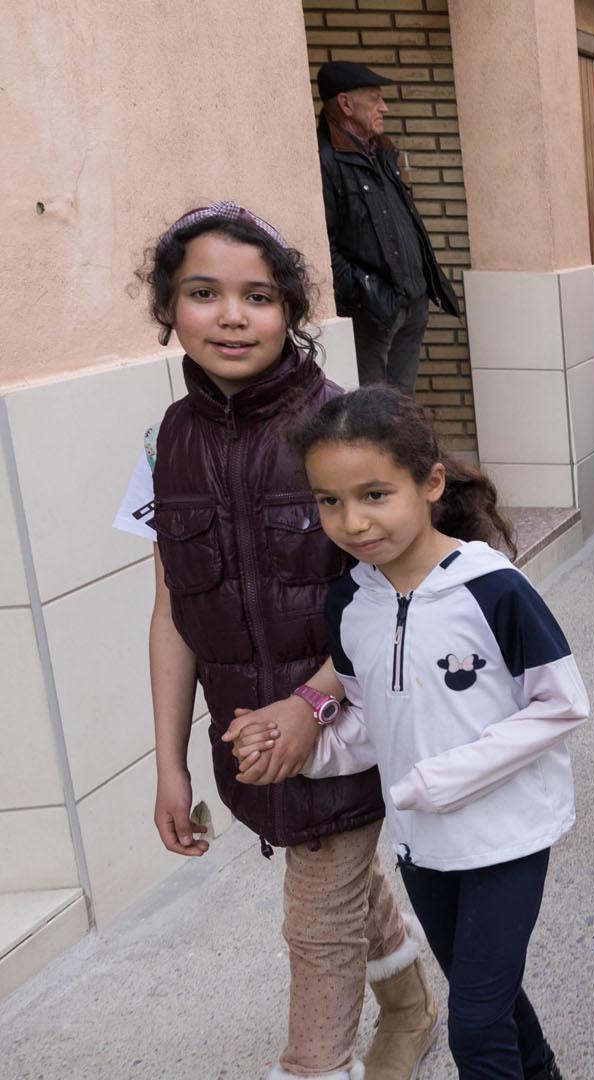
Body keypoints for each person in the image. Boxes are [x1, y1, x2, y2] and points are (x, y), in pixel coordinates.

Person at [114, 203, 435, 1080]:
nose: (230, 315)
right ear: (168, 309)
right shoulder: (163, 444)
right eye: (203, 293)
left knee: (316, 922)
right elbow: (173, 609)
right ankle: (409, 1011)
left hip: (351, 725)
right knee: (326, 867)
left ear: (290, 310)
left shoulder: (345, 429)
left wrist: (312, 701)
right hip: (253, 742)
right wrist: (171, 762)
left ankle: (317, 1064)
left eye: (256, 295)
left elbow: (403, 595)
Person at [254, 386, 585, 1080]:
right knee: (485, 996)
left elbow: (561, 705)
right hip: (422, 846)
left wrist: (442, 777)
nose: (352, 520)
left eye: (375, 494)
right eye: (329, 500)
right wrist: (306, 754)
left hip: (505, 839)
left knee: (475, 1027)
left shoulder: (493, 590)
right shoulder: (349, 601)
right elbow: (374, 720)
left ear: (430, 482)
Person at [314, 60, 462, 395]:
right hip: (373, 313)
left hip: (410, 301)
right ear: (346, 104)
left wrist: (420, 287)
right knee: (372, 408)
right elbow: (323, 246)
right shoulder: (325, 160)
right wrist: (370, 293)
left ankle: (401, 450)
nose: (385, 107)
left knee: (401, 407)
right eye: (374, 99)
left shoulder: (381, 153)